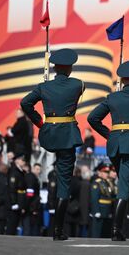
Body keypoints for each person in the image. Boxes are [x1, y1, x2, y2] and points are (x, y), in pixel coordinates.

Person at [20, 48, 84, 240]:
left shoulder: (43, 87)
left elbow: (25, 103)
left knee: (51, 172)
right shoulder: (79, 84)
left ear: (55, 68)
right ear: (70, 68)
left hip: (48, 135)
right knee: (64, 182)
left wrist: (40, 122)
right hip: (67, 136)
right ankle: (57, 230)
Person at [88, 60, 129, 240]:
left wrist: (109, 134)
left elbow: (93, 118)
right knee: (124, 185)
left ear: (122, 80)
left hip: (115, 145)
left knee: (125, 181)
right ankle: (117, 230)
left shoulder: (113, 97)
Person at [90, 162, 114, 238]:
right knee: (97, 233)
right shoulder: (96, 183)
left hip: (106, 211)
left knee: (105, 234)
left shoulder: (107, 183)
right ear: (100, 172)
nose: (107, 174)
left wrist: (110, 211)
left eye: (108, 172)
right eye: (105, 172)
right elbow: (94, 198)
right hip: (100, 210)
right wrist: (96, 211)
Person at [6, 153, 27, 235]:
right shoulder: (14, 172)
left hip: (19, 200)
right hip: (15, 201)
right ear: (17, 161)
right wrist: (14, 202)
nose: (24, 162)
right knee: (12, 223)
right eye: (22, 160)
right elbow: (12, 188)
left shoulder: (20, 172)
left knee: (15, 223)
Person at [24, 163, 42, 236]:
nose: (38, 171)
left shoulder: (34, 178)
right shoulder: (31, 178)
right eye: (37, 169)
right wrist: (27, 206)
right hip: (31, 206)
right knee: (29, 228)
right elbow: (30, 193)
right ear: (33, 169)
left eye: (39, 170)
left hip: (32, 205)